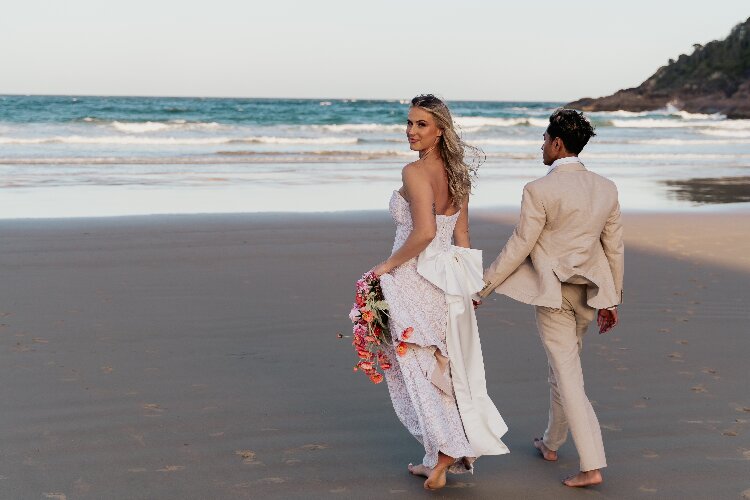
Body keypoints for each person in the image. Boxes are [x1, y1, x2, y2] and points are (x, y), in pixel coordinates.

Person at [478, 108, 624, 487]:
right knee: (564, 368)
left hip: (555, 294)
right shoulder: (606, 187)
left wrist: (484, 286)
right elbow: (614, 249)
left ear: (558, 143)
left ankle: (592, 465)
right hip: (589, 294)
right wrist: (612, 300)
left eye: (544, 139)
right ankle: (551, 442)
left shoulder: (539, 190)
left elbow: (519, 245)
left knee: (568, 375)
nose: (541, 145)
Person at [372, 94, 508, 491]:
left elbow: (426, 232)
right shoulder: (458, 173)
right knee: (440, 367)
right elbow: (461, 235)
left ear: (440, 130)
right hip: (447, 281)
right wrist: (471, 285)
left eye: (421, 124)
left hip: (414, 276)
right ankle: (438, 456)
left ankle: (446, 447)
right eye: (410, 123)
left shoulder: (414, 172)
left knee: (414, 368)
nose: (411, 131)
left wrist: (386, 267)